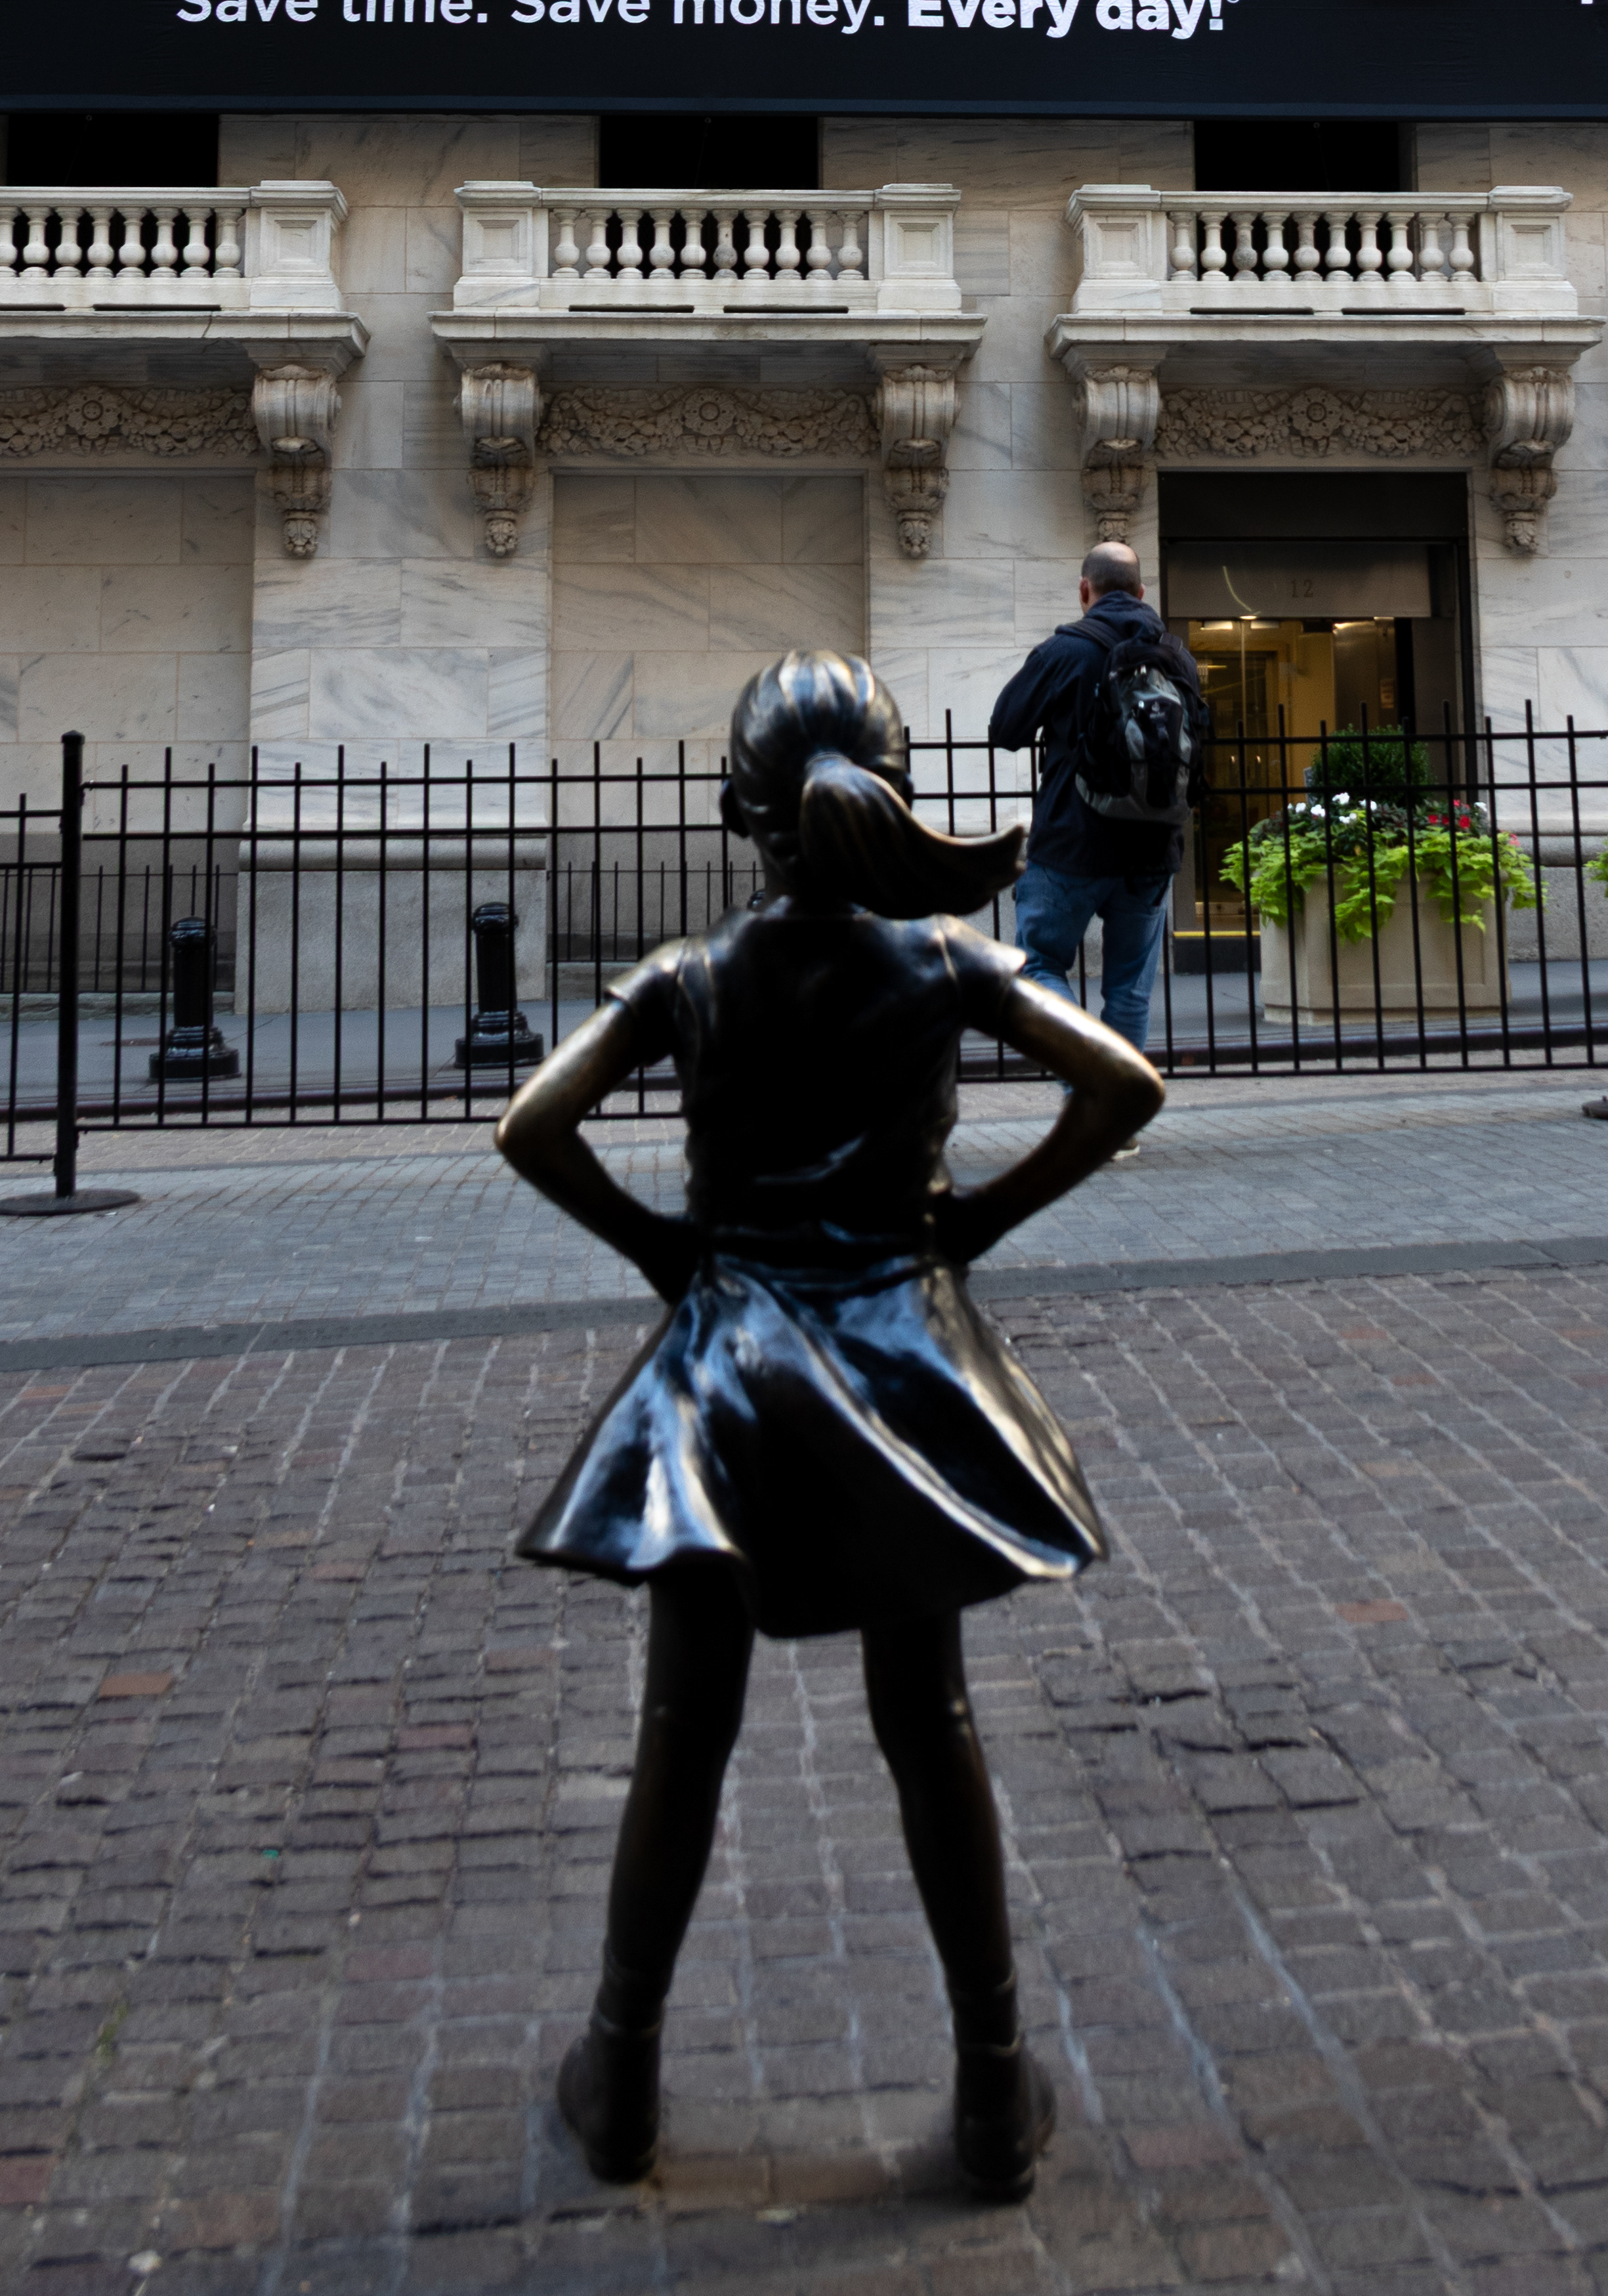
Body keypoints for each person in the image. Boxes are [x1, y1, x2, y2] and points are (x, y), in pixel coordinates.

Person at [495, 649, 1162, 2203]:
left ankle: (623, 2075)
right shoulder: (941, 961)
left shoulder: (693, 976)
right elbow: (1123, 1086)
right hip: (900, 1359)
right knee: (926, 1721)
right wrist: (970, 1227)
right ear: (892, 791)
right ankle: (995, 2092)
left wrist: (668, 1253)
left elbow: (531, 1126)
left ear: (740, 813)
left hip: (724, 1369)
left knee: (683, 1731)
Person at [987, 540, 1211, 1052]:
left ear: (1085, 590)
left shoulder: (1066, 650)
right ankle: (1120, 1122)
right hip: (1152, 851)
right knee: (1130, 991)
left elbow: (1005, 727)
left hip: (1072, 842)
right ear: (1141, 591)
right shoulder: (1179, 658)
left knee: (1039, 966)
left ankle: (1091, 1090)